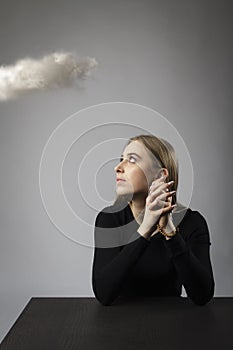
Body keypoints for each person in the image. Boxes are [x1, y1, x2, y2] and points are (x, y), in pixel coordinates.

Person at [92, 134, 215, 306]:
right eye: (121, 159)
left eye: (132, 159)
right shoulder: (109, 219)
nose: (118, 167)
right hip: (119, 324)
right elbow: (104, 294)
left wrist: (171, 233)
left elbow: (202, 295)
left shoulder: (192, 222)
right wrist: (146, 228)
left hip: (174, 324)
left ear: (160, 176)